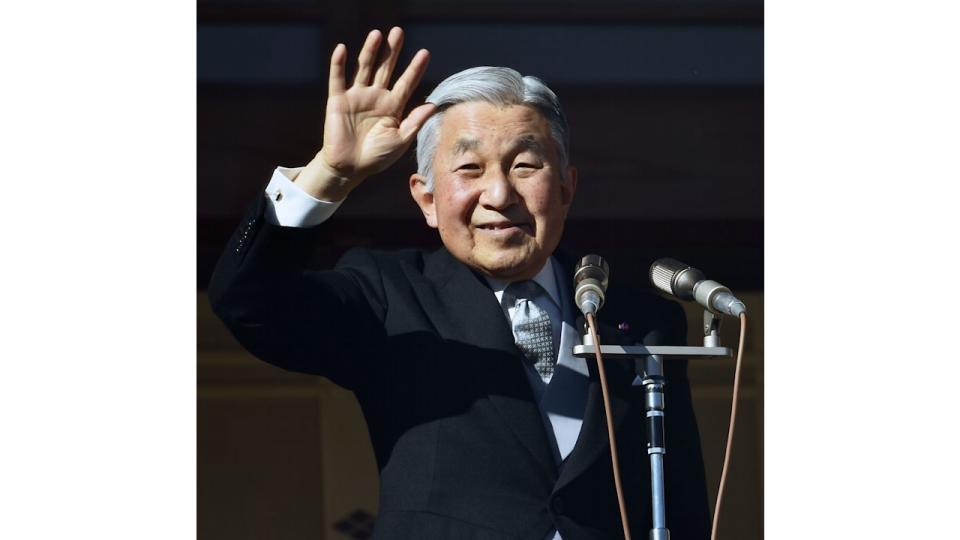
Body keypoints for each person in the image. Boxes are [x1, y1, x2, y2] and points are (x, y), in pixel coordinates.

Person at [209, 27, 709, 540]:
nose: (498, 192)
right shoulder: (390, 296)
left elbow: (680, 500)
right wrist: (330, 173)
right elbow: (249, 302)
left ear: (565, 187)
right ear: (426, 198)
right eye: (470, 168)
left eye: (525, 165)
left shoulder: (642, 320)